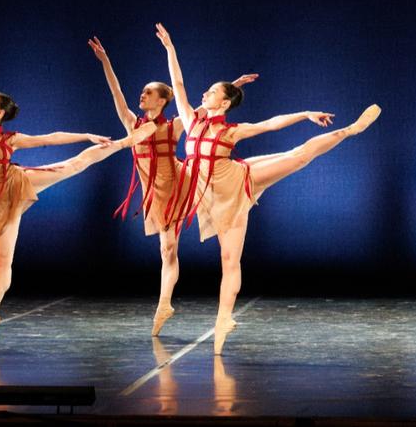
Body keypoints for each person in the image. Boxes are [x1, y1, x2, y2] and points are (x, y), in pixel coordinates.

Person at [155, 23, 381, 353]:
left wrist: (304, 114)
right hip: (204, 195)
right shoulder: (191, 121)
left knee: (297, 158)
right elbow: (178, 82)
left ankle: (350, 130)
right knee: (188, 248)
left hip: (236, 184)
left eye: (212, 92)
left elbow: (270, 123)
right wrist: (170, 48)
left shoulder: (232, 131)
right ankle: (168, 302)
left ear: (225, 102)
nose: (205, 94)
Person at [0, 31, 155, 346]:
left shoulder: (10, 139)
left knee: (72, 166)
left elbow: (51, 137)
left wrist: (86, 135)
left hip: (16, 184)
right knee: (3, 261)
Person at [88, 35, 256, 336]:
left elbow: (209, 109)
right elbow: (116, 92)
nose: (142, 95)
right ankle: (166, 303)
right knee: (167, 250)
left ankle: (236, 204)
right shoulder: (131, 123)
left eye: (149, 92)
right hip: (156, 192)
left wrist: (235, 86)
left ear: (163, 100)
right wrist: (106, 62)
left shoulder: (174, 124)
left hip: (183, 180)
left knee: (202, 205)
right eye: (142, 92)